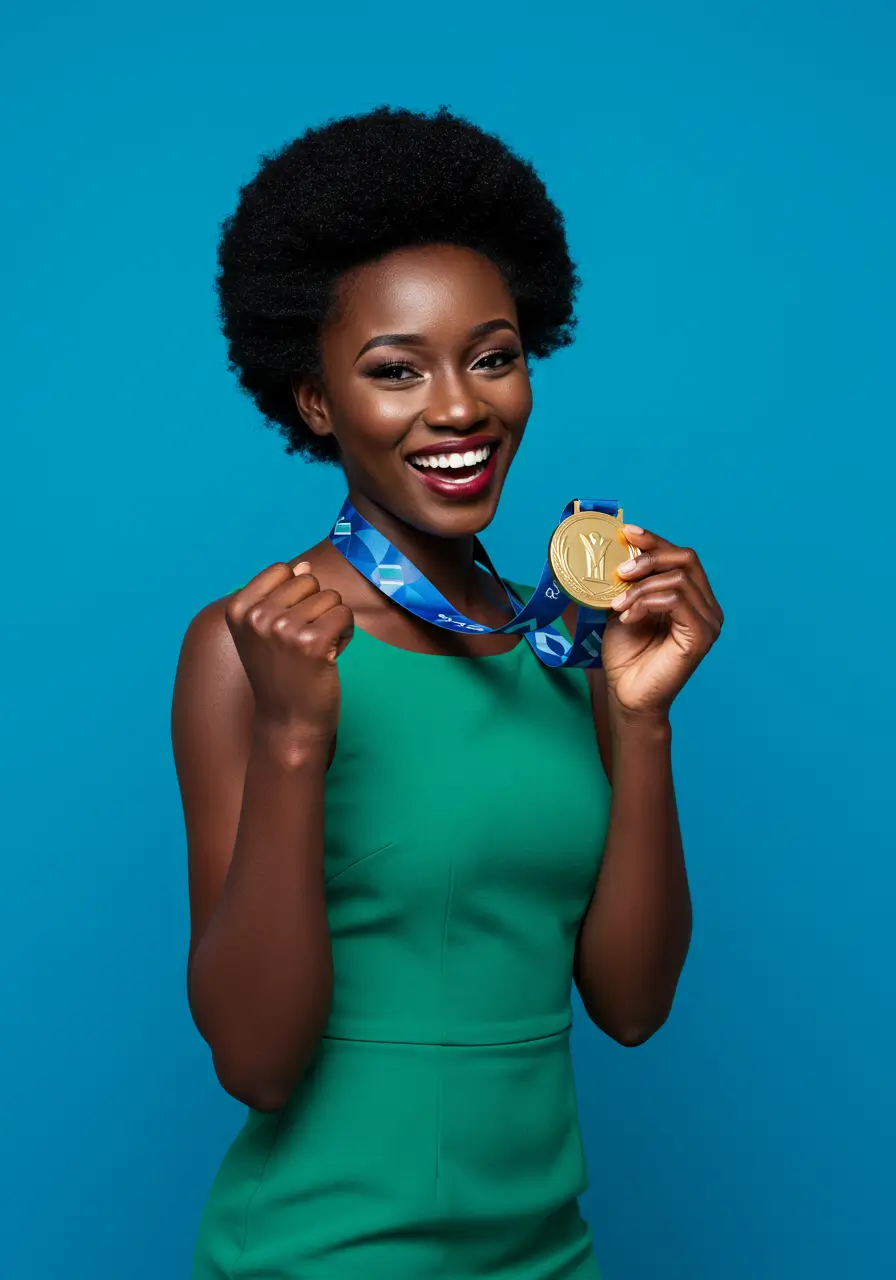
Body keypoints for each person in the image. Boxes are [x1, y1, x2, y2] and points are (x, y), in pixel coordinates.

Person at [171, 104, 723, 1280]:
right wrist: (288, 741)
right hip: (321, 1251)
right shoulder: (249, 646)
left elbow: (629, 1004)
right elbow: (257, 1062)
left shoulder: (564, 644)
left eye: (492, 355)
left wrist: (640, 716)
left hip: (545, 1251)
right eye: (392, 370)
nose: (459, 408)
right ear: (312, 401)